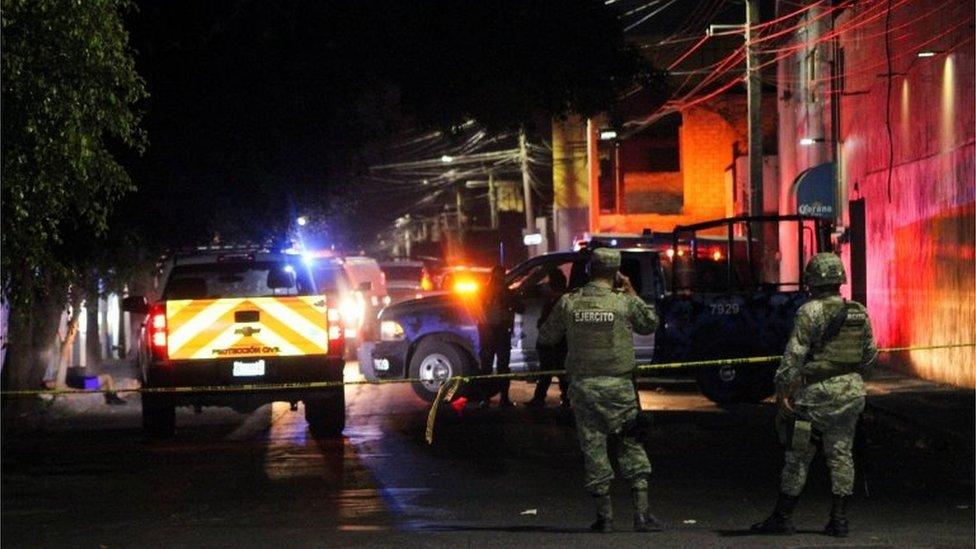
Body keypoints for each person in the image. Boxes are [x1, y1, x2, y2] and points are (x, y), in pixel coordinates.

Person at [751, 252, 877, 538]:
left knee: (798, 453)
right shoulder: (858, 311)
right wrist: (854, 380)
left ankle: (782, 517)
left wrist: (782, 390)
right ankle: (839, 520)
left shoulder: (810, 311)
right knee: (842, 453)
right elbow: (870, 355)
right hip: (850, 395)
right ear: (839, 279)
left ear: (813, 281)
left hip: (815, 399)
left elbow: (794, 355)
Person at [538, 248, 661, 533]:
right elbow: (650, 324)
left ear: (590, 270)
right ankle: (642, 516)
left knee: (593, 447)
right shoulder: (623, 303)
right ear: (616, 272)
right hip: (619, 388)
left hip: (583, 388)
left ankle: (604, 517)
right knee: (631, 443)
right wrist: (630, 291)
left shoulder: (570, 302)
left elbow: (546, 336)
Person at [525, 267, 569, 408]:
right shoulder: (560, 301)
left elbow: (547, 323)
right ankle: (564, 399)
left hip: (553, 343)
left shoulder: (556, 303)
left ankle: (541, 399)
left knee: (550, 372)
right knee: (556, 372)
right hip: (557, 343)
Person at [477, 265, 520, 408]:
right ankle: (493, 399)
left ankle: (493, 399)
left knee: (494, 367)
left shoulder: (500, 292)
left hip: (494, 331)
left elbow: (519, 307)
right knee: (494, 366)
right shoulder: (490, 292)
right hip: (493, 330)